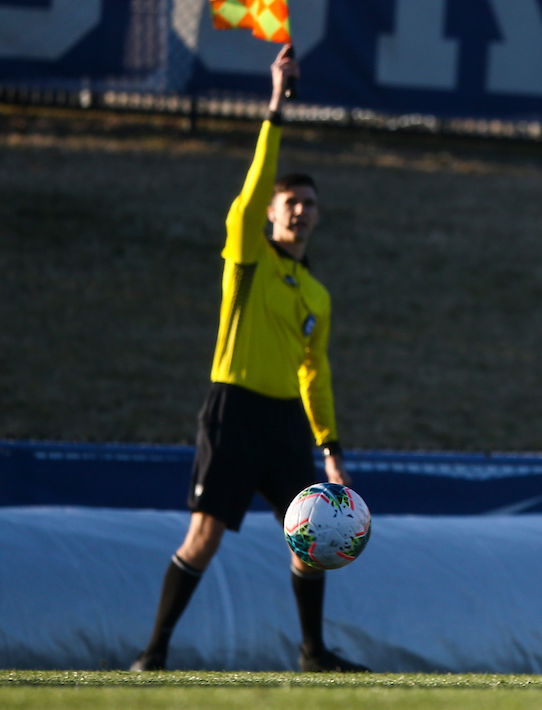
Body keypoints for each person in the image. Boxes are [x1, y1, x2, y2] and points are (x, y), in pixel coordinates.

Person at [130, 44, 368, 674]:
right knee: (204, 538)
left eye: (311, 203)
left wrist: (332, 448)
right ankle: (152, 654)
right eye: (291, 202)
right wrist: (275, 104)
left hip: (286, 422)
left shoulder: (316, 292)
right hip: (233, 411)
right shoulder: (249, 258)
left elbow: (316, 375)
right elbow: (257, 179)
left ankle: (314, 654)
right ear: (269, 213)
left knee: (311, 540)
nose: (301, 209)